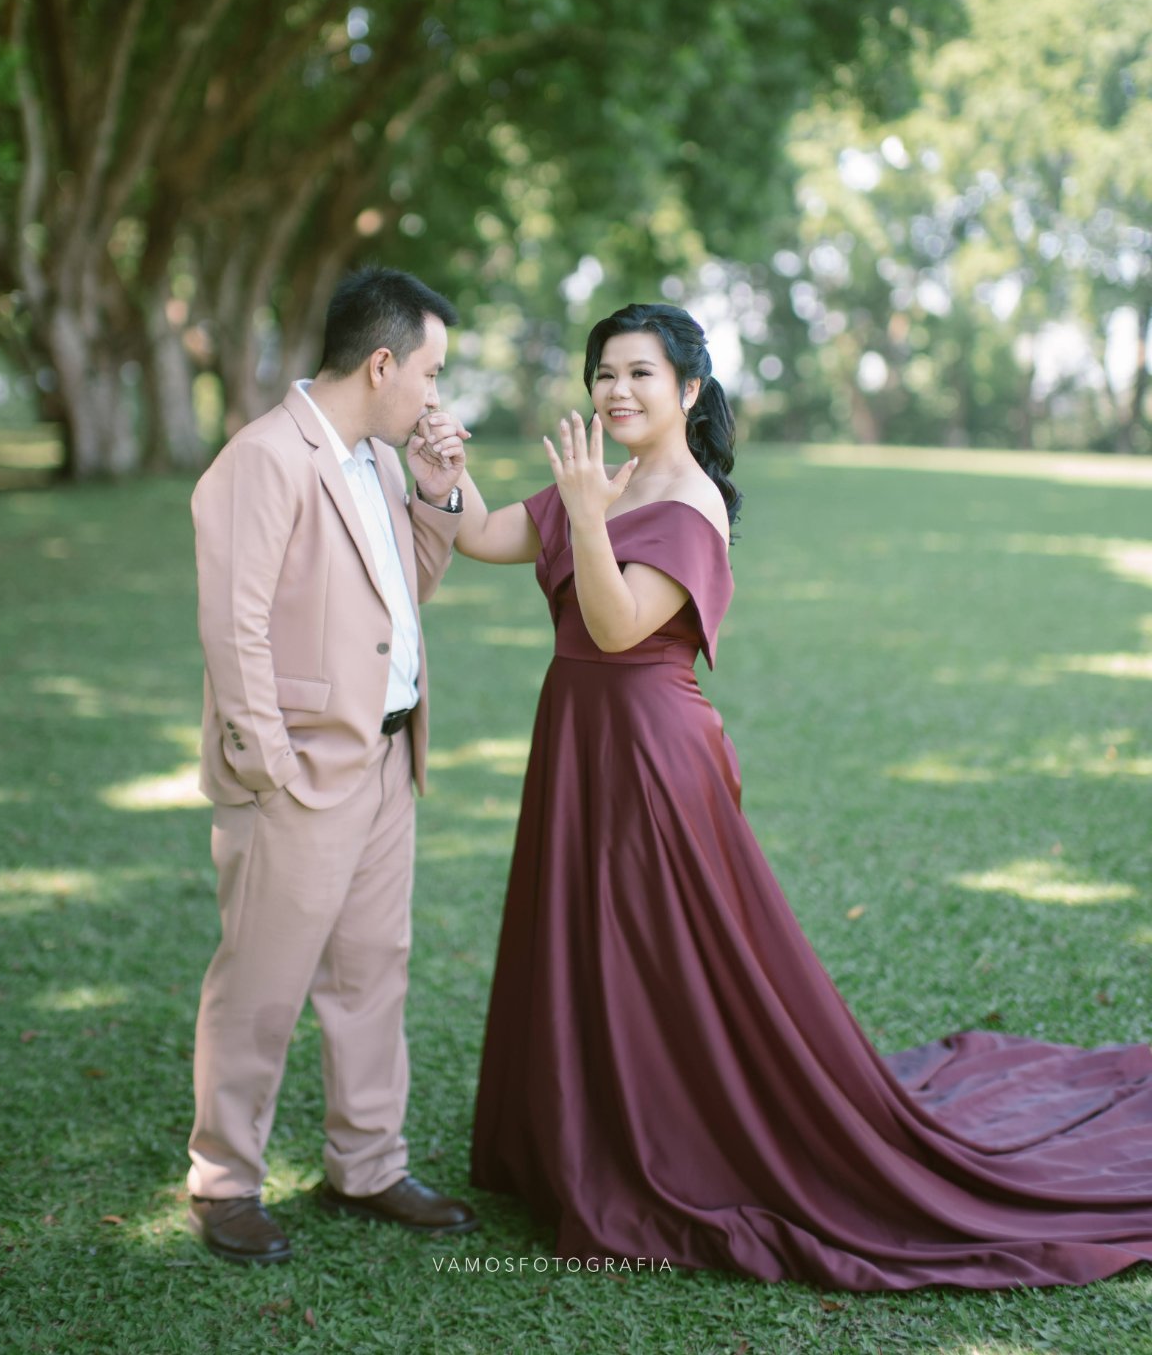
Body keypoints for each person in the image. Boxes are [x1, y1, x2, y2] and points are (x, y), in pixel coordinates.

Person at [452, 300, 1151, 1290]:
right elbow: (484, 535)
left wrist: (587, 512)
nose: (617, 390)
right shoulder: (602, 478)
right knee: (586, 930)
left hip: (649, 750)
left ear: (689, 389)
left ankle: (664, 1139)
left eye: (641, 373)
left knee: (659, 944)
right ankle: (582, 1129)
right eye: (604, 373)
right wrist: (439, 474)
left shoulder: (687, 503)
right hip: (577, 735)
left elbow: (614, 627)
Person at [186, 267, 478, 1264]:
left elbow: (409, 592)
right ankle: (224, 1181)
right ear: (383, 363)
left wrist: (436, 491)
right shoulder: (265, 459)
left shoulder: (381, 463)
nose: (436, 394)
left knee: (371, 972)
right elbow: (234, 628)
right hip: (301, 774)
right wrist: (273, 767)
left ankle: (367, 1164)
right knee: (261, 985)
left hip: (388, 758)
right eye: (431, 372)